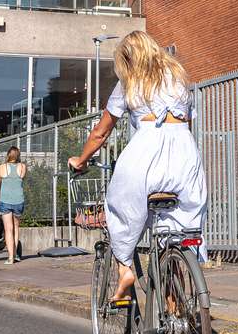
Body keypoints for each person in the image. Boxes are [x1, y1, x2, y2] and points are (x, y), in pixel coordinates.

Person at [68, 31, 205, 304]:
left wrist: (80, 161)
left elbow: (100, 133)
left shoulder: (129, 83)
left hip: (145, 153)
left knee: (120, 208)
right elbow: (186, 121)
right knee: (174, 232)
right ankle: (174, 307)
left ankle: (125, 270)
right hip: (186, 156)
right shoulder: (178, 77)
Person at [0, 145, 27, 264]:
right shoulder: (23, 167)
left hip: (5, 201)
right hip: (19, 201)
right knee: (16, 228)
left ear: (8, 155)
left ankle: (10, 258)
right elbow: (21, 179)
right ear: (18, 155)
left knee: (8, 229)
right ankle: (16, 255)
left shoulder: (1, 167)